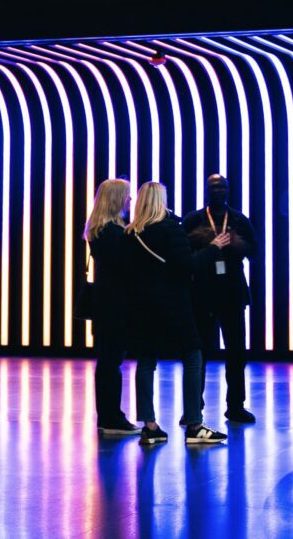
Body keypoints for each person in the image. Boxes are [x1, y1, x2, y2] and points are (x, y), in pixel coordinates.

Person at [122, 181, 224, 447]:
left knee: (146, 362)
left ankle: (150, 426)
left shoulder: (131, 234)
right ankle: (194, 423)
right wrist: (213, 248)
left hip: (142, 307)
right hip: (173, 304)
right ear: (161, 200)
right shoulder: (171, 229)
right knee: (193, 356)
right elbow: (187, 266)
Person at [182, 172, 256, 425]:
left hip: (233, 295)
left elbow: (255, 251)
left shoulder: (238, 219)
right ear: (206, 190)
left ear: (229, 190)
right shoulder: (193, 220)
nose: (218, 191)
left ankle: (235, 406)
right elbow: (182, 255)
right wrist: (203, 243)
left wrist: (236, 244)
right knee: (198, 354)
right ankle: (194, 409)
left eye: (222, 187)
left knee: (236, 353)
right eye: (214, 187)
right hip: (202, 295)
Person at [83, 178, 137, 436]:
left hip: (105, 303)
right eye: (127, 196)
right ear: (117, 199)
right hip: (115, 305)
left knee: (107, 361)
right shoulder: (115, 233)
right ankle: (111, 417)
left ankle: (108, 416)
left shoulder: (98, 230)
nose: (130, 201)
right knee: (111, 362)